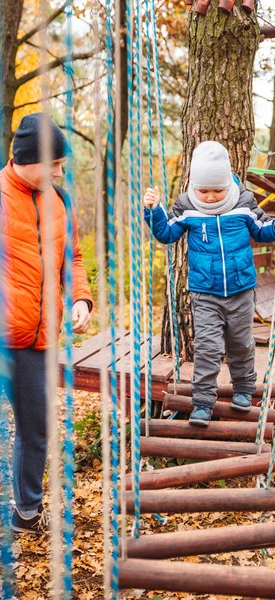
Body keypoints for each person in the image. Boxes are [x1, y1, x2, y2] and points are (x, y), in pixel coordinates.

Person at [144, 141, 275, 426]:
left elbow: (262, 230)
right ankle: (202, 403)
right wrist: (155, 210)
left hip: (241, 290)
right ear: (194, 186)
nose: (210, 197)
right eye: (204, 191)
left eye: (217, 191)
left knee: (241, 344)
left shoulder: (243, 202)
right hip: (205, 293)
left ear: (227, 184)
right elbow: (167, 233)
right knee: (208, 349)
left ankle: (245, 389)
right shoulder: (187, 206)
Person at [0, 113, 93, 534]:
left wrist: (80, 298)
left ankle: (26, 513)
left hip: (36, 340)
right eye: (54, 164)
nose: (59, 172)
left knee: (36, 429)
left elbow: (71, 258)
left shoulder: (61, 201)